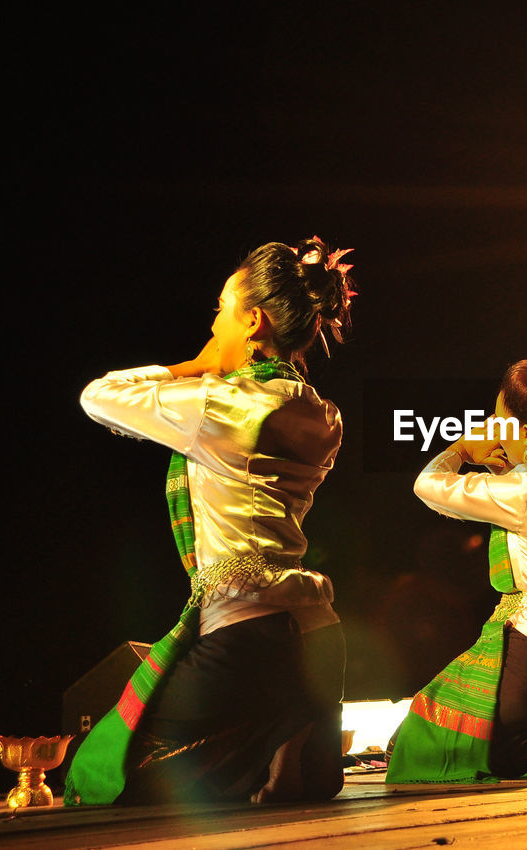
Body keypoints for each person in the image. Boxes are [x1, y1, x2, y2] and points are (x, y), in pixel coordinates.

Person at [66, 237, 354, 805]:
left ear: (253, 321)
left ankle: (268, 736)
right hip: (320, 631)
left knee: (109, 778)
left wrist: (191, 367)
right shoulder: (325, 414)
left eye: (222, 308)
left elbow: (98, 396)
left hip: (245, 634)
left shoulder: (216, 405)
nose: (214, 320)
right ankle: (285, 730)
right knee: (294, 792)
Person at [386, 350, 527, 783]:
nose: (492, 431)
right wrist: (512, 467)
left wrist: (461, 448)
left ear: (525, 433)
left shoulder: (523, 490)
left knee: (419, 735)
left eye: (498, 423)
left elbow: (427, 486)